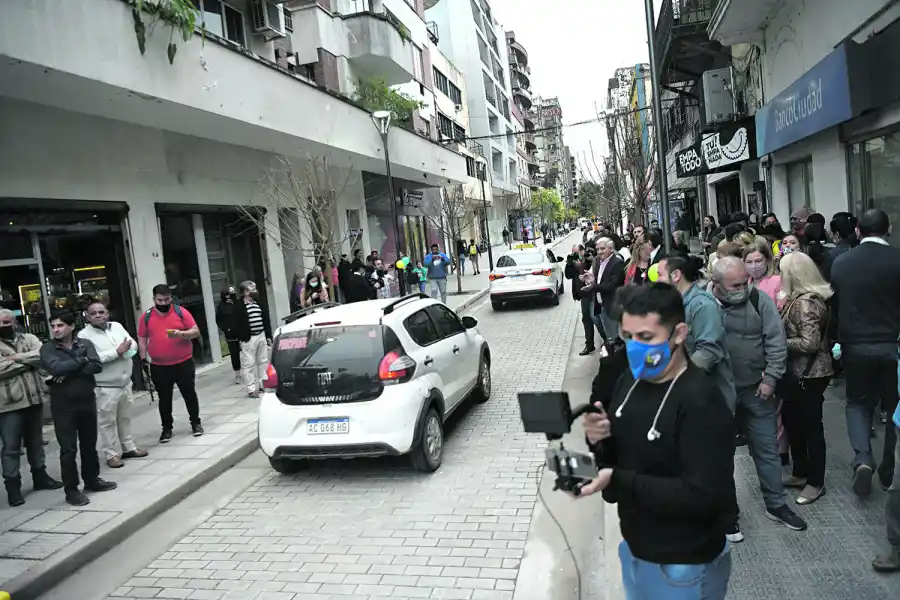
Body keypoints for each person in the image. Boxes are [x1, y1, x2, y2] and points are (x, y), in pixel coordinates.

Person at [577, 283, 734, 599]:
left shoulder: (700, 401)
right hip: (635, 550)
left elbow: (701, 495)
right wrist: (599, 440)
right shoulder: (629, 380)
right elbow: (620, 456)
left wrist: (619, 480)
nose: (635, 348)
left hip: (683, 566)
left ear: (679, 333)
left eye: (646, 338)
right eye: (627, 337)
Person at [711, 257, 807, 535]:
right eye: (735, 285)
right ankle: (728, 515)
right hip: (718, 396)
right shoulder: (703, 305)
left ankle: (776, 505)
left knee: (767, 451)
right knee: (720, 456)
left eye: (746, 282)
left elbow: (776, 343)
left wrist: (771, 379)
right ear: (716, 284)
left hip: (756, 391)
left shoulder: (758, 300)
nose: (743, 288)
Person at [831, 209, 900, 496]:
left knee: (857, 404)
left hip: (855, 346)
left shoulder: (842, 263)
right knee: (894, 409)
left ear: (858, 230)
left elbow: (837, 307)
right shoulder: (897, 260)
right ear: (890, 228)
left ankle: (862, 458)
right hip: (893, 346)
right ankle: (888, 468)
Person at [40, 312, 117, 506]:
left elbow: (97, 366)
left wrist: (69, 370)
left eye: (60, 326)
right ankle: (72, 490)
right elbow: (56, 369)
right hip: (63, 405)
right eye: (54, 326)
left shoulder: (85, 344)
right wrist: (82, 361)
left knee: (89, 444)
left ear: (71, 326)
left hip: (86, 400)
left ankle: (92, 480)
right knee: (68, 449)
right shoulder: (48, 348)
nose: (56, 330)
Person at [777, 252, 834, 505]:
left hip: (809, 373)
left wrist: (779, 342)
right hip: (798, 373)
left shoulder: (806, 302)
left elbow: (809, 343)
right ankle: (801, 472)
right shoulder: (800, 299)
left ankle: (815, 481)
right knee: (793, 422)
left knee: (810, 428)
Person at [0, 309, 63, 506]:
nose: (4, 326)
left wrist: (14, 359)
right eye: (1, 322)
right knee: (11, 448)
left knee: (36, 442)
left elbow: (42, 355)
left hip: (34, 399)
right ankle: (13, 488)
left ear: (15, 322)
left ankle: (40, 477)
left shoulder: (28, 337)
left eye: (7, 322)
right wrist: (27, 361)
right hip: (8, 404)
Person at [78, 302, 147, 469]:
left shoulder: (116, 326)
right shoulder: (83, 335)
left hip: (125, 382)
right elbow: (91, 360)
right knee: (107, 422)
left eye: (101, 312)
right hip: (105, 386)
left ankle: (128, 448)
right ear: (87, 317)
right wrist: (117, 353)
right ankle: (111, 454)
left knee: (125, 418)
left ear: (107, 313)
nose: (98, 315)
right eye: (93, 313)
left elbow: (131, 342)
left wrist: (129, 349)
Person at [137, 284, 203, 443]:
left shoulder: (181, 312)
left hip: (183, 362)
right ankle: (167, 429)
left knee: (189, 393)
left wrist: (182, 334)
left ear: (171, 298)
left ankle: (196, 423)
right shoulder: (146, 317)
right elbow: (142, 338)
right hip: (159, 366)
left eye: (167, 299)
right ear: (154, 299)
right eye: (160, 300)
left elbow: (196, 331)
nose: (164, 303)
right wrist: (143, 358)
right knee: (164, 398)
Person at [233, 281, 272, 399]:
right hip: (248, 338)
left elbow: (265, 318)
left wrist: (268, 335)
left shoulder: (259, 303)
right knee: (248, 364)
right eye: (252, 289)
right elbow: (236, 323)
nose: (255, 291)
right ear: (245, 292)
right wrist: (241, 336)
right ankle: (251, 389)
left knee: (263, 361)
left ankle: (263, 385)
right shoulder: (239, 305)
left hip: (261, 335)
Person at [583, 238, 626, 343]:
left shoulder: (617, 262)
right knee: (608, 336)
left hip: (611, 306)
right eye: (597, 249)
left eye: (602, 249)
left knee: (615, 338)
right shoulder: (598, 262)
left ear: (611, 249)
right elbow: (600, 280)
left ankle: (617, 356)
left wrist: (594, 286)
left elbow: (612, 286)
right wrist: (591, 280)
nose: (599, 252)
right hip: (601, 304)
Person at [743, 236, 783, 309]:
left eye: (758, 261)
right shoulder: (742, 283)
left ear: (767, 261)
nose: (753, 266)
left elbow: (781, 310)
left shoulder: (778, 281)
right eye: (749, 262)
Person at [215, 286, 242, 385]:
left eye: (231, 294)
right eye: (227, 294)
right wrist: (226, 329)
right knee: (234, 354)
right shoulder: (221, 306)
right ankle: (237, 374)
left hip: (241, 332)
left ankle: (249, 371)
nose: (229, 296)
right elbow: (218, 320)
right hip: (230, 334)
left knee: (248, 351)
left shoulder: (238, 303)